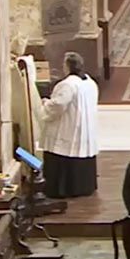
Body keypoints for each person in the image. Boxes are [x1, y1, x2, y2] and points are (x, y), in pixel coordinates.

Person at [39, 52, 99, 198]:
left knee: (63, 151)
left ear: (67, 66)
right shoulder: (90, 83)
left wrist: (45, 103)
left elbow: (58, 105)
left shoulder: (68, 84)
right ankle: (84, 186)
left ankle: (61, 189)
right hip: (85, 130)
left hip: (69, 128)